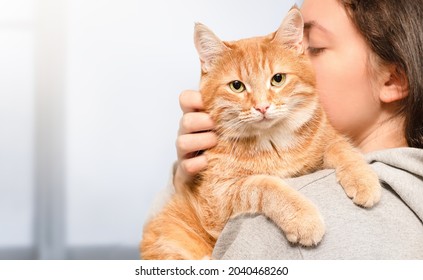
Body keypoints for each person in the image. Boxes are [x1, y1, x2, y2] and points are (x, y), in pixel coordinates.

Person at [168, 0, 423, 259]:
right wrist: (186, 185)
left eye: (313, 47)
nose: (299, 60)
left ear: (392, 79)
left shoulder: (265, 230)